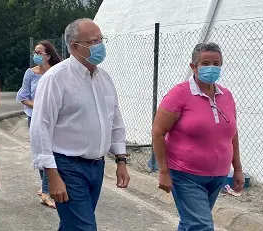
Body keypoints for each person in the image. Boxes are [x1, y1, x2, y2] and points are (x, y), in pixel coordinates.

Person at [29, 18, 130, 231]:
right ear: (75, 46)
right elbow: (41, 127)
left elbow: (115, 121)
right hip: (67, 167)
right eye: (93, 41)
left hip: (96, 167)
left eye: (101, 39)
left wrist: (121, 159)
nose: (100, 45)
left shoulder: (105, 79)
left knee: (72, 226)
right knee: (83, 227)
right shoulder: (56, 78)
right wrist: (52, 176)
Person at [151, 42, 245, 231]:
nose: (212, 68)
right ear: (193, 66)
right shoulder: (179, 95)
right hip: (185, 174)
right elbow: (158, 132)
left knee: (191, 224)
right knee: (200, 225)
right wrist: (163, 171)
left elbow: (232, 134)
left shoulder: (226, 96)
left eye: (216, 63)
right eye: (205, 63)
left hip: (217, 175)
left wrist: (238, 168)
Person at [16, 40, 62, 209]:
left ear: (48, 55)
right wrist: (39, 105)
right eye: (34, 52)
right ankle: (46, 190)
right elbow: (23, 96)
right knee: (40, 151)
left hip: (56, 119)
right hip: (35, 118)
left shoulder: (57, 72)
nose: (35, 55)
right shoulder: (31, 73)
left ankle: (46, 189)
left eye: (39, 52)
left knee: (52, 152)